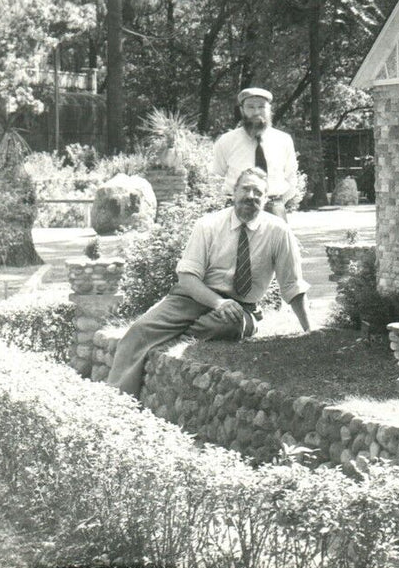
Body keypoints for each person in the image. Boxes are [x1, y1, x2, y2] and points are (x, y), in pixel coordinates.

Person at [106, 168, 310, 397]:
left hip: (241, 306)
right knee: (138, 332)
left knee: (229, 324)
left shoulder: (278, 232)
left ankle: (172, 340)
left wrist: (310, 331)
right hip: (192, 297)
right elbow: (187, 277)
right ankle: (117, 402)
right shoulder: (209, 224)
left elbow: (293, 286)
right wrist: (218, 303)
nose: (251, 196)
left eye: (258, 192)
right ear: (234, 192)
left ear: (265, 198)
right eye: (246, 189)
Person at [211, 87, 299, 217]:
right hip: (237, 208)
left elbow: (291, 176)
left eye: (261, 107)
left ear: (269, 109)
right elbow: (216, 177)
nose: (256, 112)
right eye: (250, 107)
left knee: (277, 238)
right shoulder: (226, 141)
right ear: (242, 110)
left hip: (273, 207)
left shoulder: (283, 140)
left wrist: (277, 203)